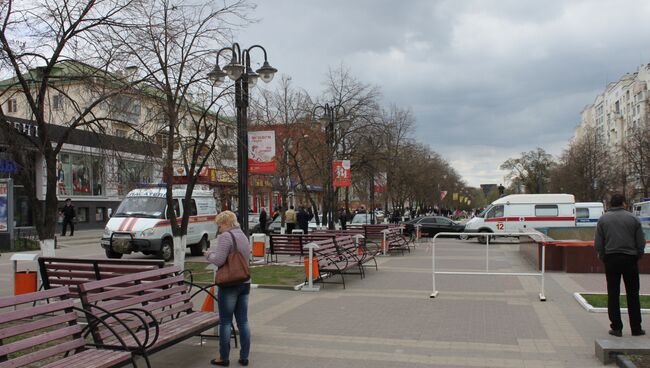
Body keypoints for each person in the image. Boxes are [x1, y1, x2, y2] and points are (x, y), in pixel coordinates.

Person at [595, 193, 646, 337]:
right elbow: (640, 241)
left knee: (613, 293)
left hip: (611, 259)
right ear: (624, 203)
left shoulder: (603, 220)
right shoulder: (633, 219)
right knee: (633, 294)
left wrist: (603, 255)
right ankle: (636, 328)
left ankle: (616, 328)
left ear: (611, 204)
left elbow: (599, 243)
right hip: (630, 259)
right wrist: (638, 255)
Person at [204, 211, 251, 366]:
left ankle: (223, 358)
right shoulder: (243, 235)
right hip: (244, 282)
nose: (219, 229)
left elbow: (218, 260)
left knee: (225, 322)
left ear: (225, 223)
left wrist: (208, 254)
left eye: (219, 225)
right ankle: (244, 357)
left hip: (229, 284)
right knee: (243, 321)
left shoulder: (226, 237)